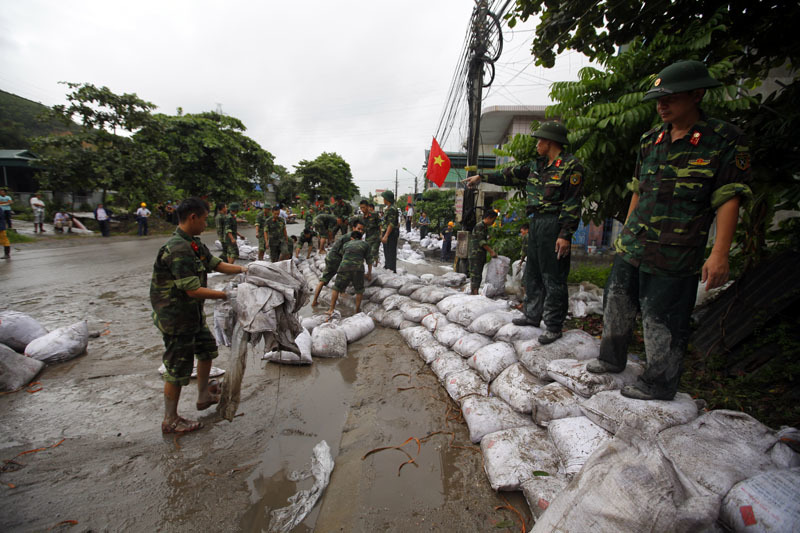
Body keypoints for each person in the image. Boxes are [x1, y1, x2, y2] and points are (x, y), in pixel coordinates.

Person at [585, 60, 752, 401]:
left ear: (697, 94)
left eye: (670, 98)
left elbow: (727, 198)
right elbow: (638, 190)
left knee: (662, 317)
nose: (661, 106)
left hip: (677, 249)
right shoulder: (651, 140)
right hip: (634, 243)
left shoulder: (723, 140)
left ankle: (659, 382)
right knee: (616, 302)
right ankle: (611, 359)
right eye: (658, 100)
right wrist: (625, 235)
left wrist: (719, 253)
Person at [465, 120, 584, 345]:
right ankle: (532, 314)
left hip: (554, 224)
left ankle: (553, 324)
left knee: (553, 276)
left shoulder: (571, 166)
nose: (537, 144)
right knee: (534, 272)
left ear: (550, 141)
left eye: (540, 140)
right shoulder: (535, 166)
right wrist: (482, 177)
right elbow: (507, 174)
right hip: (535, 223)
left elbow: (572, 202)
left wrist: (565, 234)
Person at [150, 197, 247, 434]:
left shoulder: (193, 244)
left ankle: (203, 396)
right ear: (192, 217)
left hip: (191, 314)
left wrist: (248, 269)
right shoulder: (177, 249)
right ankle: (170, 419)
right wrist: (227, 295)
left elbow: (217, 264)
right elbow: (192, 290)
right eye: (204, 219)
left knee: (206, 349)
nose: (206, 224)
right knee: (177, 367)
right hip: (176, 318)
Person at [311, 222, 363, 307]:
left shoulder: (353, 236)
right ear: (353, 228)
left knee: (331, 278)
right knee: (325, 280)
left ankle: (317, 300)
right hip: (335, 260)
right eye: (358, 229)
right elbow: (345, 252)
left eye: (362, 229)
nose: (360, 231)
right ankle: (316, 301)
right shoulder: (350, 238)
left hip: (333, 258)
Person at [327, 222, 372, 315]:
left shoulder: (346, 244)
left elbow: (344, 256)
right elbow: (369, 261)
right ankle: (357, 311)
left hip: (344, 268)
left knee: (336, 288)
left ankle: (331, 309)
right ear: (360, 238)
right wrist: (369, 274)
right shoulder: (366, 245)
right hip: (358, 269)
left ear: (352, 237)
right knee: (359, 290)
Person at [469, 210, 499, 294]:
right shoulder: (480, 226)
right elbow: (481, 242)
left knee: (478, 274)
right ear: (489, 218)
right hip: (476, 254)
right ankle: (474, 293)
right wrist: (491, 252)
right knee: (476, 275)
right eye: (493, 220)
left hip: (479, 255)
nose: (493, 222)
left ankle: (474, 292)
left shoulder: (484, 227)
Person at [357, 199, 381, 268]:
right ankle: (374, 265)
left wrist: (381, 235)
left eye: (363, 207)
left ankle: (373, 267)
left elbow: (380, 225)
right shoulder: (362, 217)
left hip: (376, 237)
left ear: (367, 207)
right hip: (368, 238)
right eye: (361, 208)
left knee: (373, 252)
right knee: (370, 253)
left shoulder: (374, 215)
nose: (362, 209)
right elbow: (363, 228)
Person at [380, 191, 399, 272]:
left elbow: (391, 224)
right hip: (388, 232)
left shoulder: (392, 209)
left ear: (387, 199)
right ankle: (388, 267)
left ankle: (391, 270)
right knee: (387, 252)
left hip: (391, 233)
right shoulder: (388, 208)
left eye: (384, 198)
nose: (383, 200)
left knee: (390, 252)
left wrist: (386, 236)